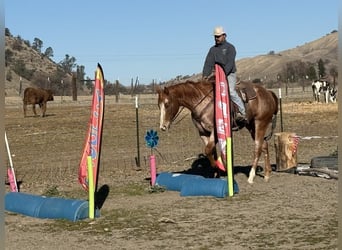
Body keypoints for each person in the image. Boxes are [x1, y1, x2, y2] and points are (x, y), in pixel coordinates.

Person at [202, 26, 246, 124]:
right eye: (215, 36)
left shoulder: (230, 48)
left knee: (230, 91)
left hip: (229, 74)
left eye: (218, 36)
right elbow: (208, 63)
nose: (216, 38)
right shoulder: (212, 50)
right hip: (216, 74)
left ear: (224, 36)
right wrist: (205, 75)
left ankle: (242, 111)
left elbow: (230, 63)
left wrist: (222, 75)